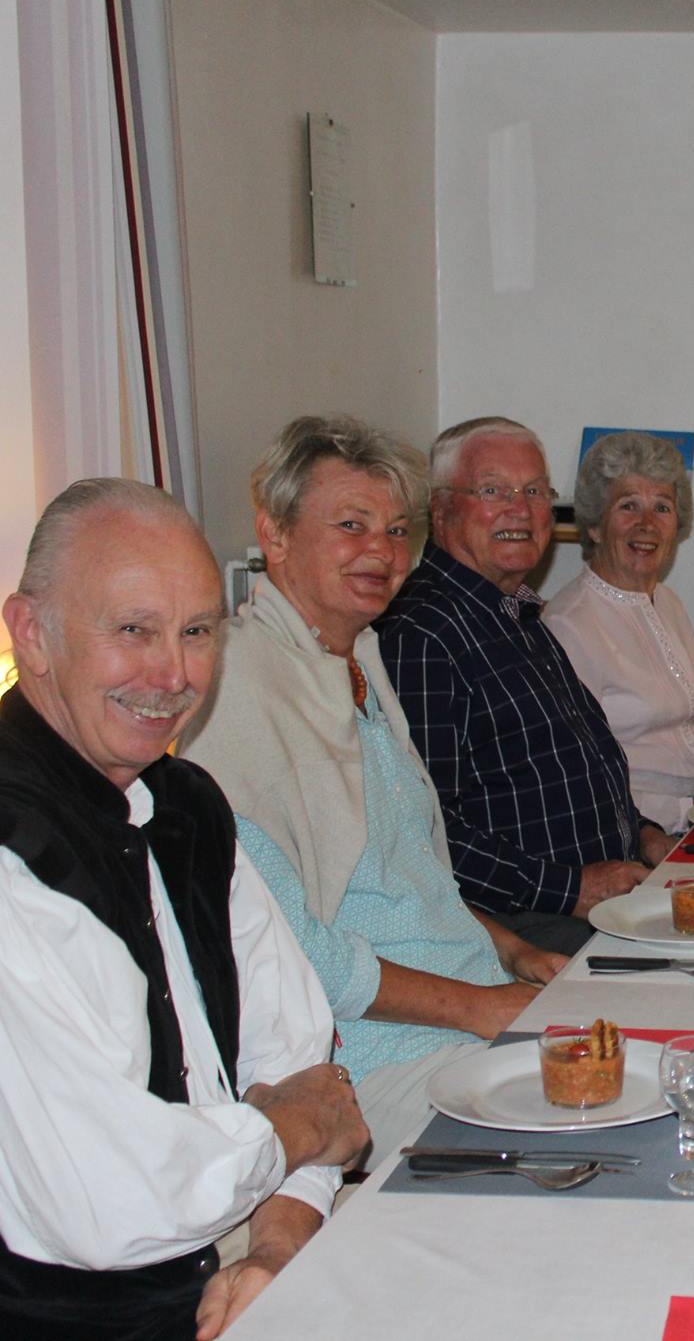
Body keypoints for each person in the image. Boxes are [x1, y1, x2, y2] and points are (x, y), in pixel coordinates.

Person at [0, 479, 367, 1340]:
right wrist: (291, 1126)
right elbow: (110, 1200)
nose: (172, 675)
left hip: (252, 1254)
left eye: (198, 631)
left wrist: (273, 1248)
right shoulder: (12, 856)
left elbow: (302, 1054)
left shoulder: (188, 803)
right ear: (31, 635)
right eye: (133, 630)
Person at [183, 418, 568, 1169]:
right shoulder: (231, 692)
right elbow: (301, 956)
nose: (384, 553)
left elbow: (404, 875)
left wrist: (514, 947)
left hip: (475, 1001)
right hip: (373, 1058)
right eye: (351, 525)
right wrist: (485, 1009)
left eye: (396, 530)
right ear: (275, 531)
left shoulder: (357, 658)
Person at [378, 417, 672, 953]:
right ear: (440, 510)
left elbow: (573, 766)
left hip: (597, 895)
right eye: (493, 490)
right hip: (522, 926)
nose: (520, 508)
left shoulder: (515, 614)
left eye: (535, 491)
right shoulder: (423, 636)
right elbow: (428, 832)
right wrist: (573, 889)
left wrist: (646, 834)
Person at [546, 432, 694, 830]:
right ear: (596, 526)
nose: (646, 524)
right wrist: (691, 813)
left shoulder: (668, 603)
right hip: (645, 832)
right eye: (628, 505)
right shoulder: (568, 625)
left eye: (662, 508)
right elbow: (582, 778)